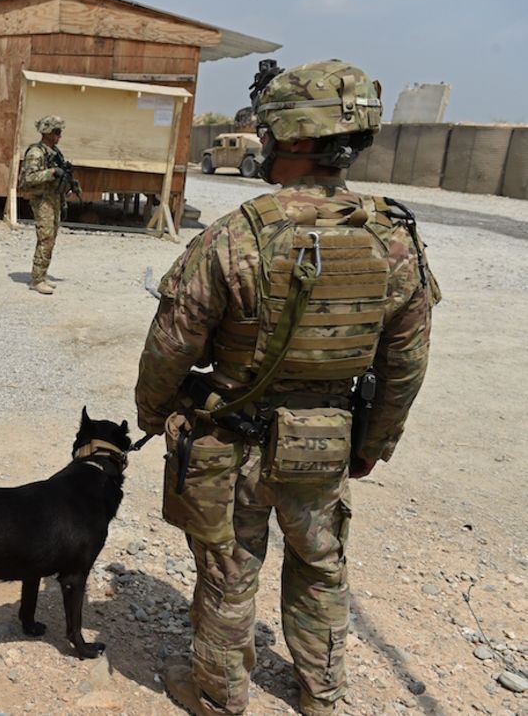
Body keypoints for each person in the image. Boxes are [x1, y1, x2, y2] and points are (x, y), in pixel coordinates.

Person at [134, 60, 439, 716]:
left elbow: (172, 342)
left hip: (229, 445)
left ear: (295, 138)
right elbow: (407, 359)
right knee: (322, 567)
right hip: (323, 446)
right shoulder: (394, 238)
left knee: (228, 571)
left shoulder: (235, 236)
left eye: (270, 128)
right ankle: (321, 695)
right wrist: (374, 441)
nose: (264, 140)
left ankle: (218, 697)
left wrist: (154, 412)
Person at [18, 115, 81, 295]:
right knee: (45, 238)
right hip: (42, 199)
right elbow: (27, 178)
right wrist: (51, 172)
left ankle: (42, 275)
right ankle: (37, 280)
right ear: (47, 132)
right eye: (57, 132)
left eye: (60, 132)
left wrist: (70, 184)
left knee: (51, 238)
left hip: (54, 199)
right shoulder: (36, 153)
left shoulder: (55, 152)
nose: (59, 136)